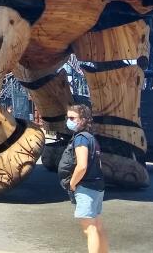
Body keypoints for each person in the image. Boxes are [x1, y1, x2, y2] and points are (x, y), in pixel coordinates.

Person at [57, 105, 108, 253]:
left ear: (83, 120)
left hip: (85, 188)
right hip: (97, 187)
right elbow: (98, 164)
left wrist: (72, 184)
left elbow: (82, 166)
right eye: (68, 118)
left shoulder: (80, 139)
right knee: (97, 226)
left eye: (73, 118)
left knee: (89, 229)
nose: (69, 121)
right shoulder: (91, 138)